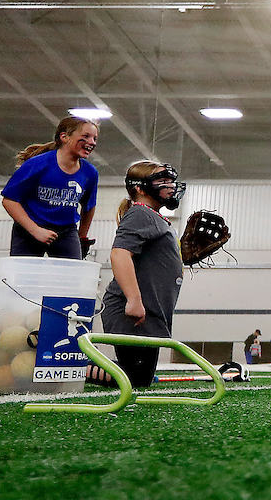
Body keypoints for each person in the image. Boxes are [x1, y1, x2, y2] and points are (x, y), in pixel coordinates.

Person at [93, 161, 185, 388]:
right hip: (133, 309)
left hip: (151, 312)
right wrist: (134, 300)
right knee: (134, 377)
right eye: (161, 181)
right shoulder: (140, 214)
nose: (170, 186)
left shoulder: (154, 217)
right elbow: (119, 254)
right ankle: (76, 367)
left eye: (170, 180)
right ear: (140, 188)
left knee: (141, 378)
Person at [1, 115, 99, 259]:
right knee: (24, 278)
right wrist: (35, 230)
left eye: (95, 138)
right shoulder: (37, 165)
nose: (92, 142)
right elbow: (9, 200)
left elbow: (89, 207)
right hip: (30, 229)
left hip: (66, 231)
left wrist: (81, 237)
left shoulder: (90, 173)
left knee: (70, 276)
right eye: (86, 136)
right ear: (64, 137)